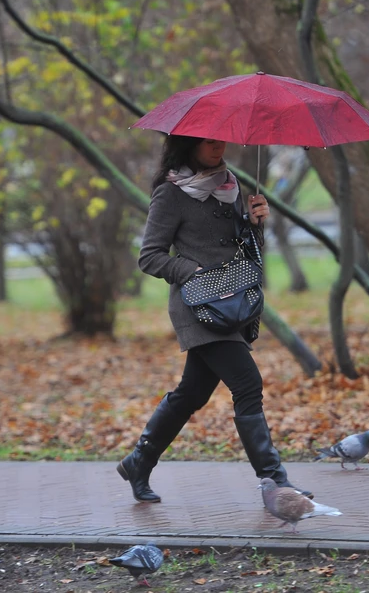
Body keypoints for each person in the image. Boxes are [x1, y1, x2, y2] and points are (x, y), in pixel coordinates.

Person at [116, 135, 313, 504]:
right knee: (247, 383)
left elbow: (245, 250)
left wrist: (256, 223)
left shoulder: (230, 185)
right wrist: (191, 270)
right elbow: (150, 256)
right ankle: (275, 481)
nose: (217, 147)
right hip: (198, 308)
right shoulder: (171, 193)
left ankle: (139, 461)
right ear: (188, 145)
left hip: (231, 304)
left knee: (192, 392)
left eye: (220, 140)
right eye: (207, 142)